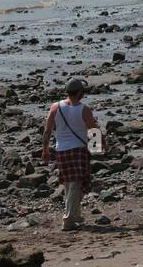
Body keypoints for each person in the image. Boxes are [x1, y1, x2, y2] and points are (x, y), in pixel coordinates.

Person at [42, 77, 104, 231]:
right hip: (78, 150)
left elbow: (47, 130)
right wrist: (97, 149)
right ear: (80, 93)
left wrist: (45, 150)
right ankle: (68, 219)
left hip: (61, 150)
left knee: (70, 185)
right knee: (76, 184)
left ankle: (75, 215)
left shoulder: (55, 107)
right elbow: (93, 130)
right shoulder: (84, 109)